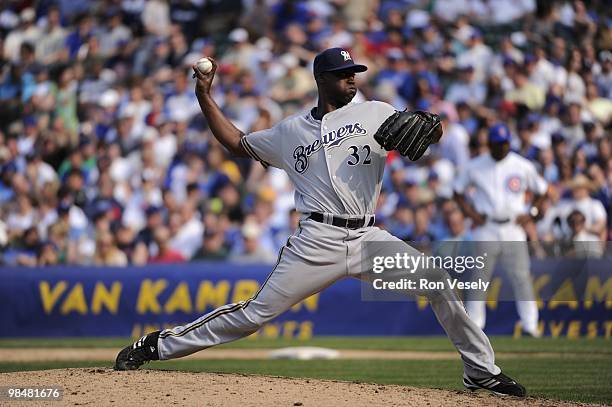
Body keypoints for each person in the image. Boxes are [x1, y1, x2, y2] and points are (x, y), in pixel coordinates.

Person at [114, 48, 526, 397]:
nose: (351, 80)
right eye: (343, 75)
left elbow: (421, 133)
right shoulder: (290, 130)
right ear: (321, 79)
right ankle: (156, 345)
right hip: (316, 240)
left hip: (368, 237)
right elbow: (237, 143)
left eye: (354, 74)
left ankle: (480, 371)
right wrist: (205, 96)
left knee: (437, 281)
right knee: (254, 314)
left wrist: (431, 130)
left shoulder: (375, 112)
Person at [453, 124, 548, 338]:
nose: (502, 148)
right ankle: (475, 326)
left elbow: (542, 190)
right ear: (491, 145)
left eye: (505, 144)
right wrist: (472, 215)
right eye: (498, 144)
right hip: (486, 226)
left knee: (521, 277)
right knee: (479, 278)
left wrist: (531, 212)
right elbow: (457, 191)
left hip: (513, 226)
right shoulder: (475, 165)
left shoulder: (521, 165)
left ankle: (529, 326)